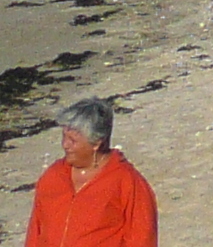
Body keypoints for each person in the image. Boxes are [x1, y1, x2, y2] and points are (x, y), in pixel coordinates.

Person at [26, 97, 154, 247]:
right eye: (64, 137)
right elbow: (35, 231)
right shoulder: (54, 176)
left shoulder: (126, 181)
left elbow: (142, 238)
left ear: (96, 143)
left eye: (73, 140)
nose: (65, 145)